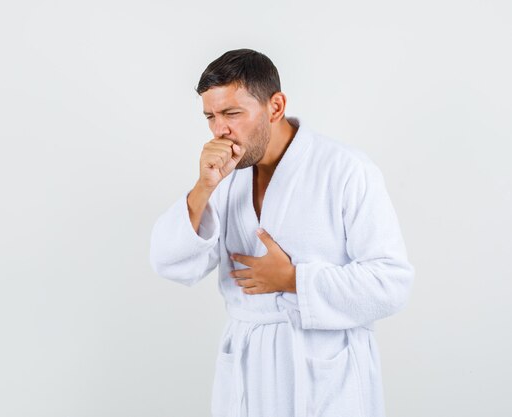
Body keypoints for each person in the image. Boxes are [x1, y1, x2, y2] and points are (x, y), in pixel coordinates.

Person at [149, 48, 414, 417]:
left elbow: (392, 283)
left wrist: (294, 280)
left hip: (323, 370)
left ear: (275, 106)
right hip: (248, 367)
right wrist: (203, 187)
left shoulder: (346, 170)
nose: (219, 129)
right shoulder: (223, 177)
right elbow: (168, 263)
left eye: (232, 113)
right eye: (210, 116)